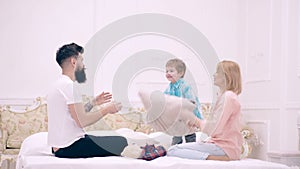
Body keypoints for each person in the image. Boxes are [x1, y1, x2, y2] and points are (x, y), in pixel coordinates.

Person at [47, 43, 128, 158]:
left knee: (109, 138)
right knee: (122, 141)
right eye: (82, 60)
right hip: (69, 147)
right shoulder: (69, 86)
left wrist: (92, 103)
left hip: (60, 146)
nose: (84, 65)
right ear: (73, 62)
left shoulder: (58, 84)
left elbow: (73, 115)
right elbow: (82, 121)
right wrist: (107, 110)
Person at [167, 60, 243, 161]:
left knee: (173, 150)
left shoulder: (228, 97)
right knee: (175, 148)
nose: (214, 75)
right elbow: (217, 126)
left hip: (224, 147)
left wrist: (196, 121)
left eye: (217, 72)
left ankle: (216, 158)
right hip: (221, 145)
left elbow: (214, 128)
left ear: (225, 76)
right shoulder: (226, 96)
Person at [164, 58, 203, 145]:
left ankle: (191, 148)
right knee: (177, 133)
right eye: (166, 71)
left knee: (189, 134)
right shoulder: (170, 87)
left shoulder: (185, 86)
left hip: (188, 114)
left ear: (180, 73)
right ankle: (176, 148)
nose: (168, 73)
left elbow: (191, 100)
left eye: (171, 71)